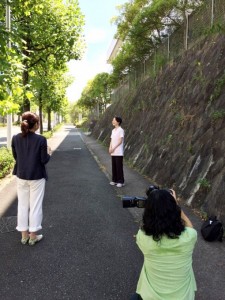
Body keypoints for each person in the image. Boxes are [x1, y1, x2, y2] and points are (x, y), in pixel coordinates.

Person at [132, 188, 197, 300]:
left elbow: (144, 228)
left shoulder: (142, 237)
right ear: (175, 210)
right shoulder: (190, 237)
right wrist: (176, 206)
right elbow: (189, 226)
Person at [11, 111, 51, 246]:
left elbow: (16, 157)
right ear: (36, 125)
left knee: (22, 205)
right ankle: (33, 236)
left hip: (21, 175)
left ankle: (24, 236)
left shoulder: (15, 138)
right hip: (36, 176)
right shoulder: (41, 139)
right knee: (35, 206)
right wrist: (49, 153)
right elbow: (44, 160)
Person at [109, 116, 125, 188]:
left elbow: (120, 141)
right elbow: (111, 140)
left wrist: (114, 148)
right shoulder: (113, 130)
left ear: (118, 122)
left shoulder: (120, 130)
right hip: (113, 151)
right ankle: (114, 180)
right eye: (113, 120)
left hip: (118, 151)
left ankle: (121, 181)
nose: (112, 121)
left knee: (119, 167)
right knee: (114, 166)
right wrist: (110, 147)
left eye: (114, 120)